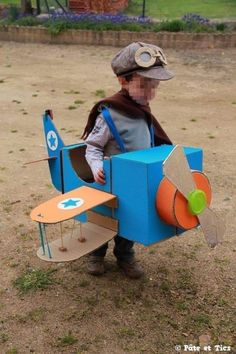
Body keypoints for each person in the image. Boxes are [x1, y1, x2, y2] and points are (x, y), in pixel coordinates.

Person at [82, 42, 174, 278]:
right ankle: (96, 253)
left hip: (133, 181)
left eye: (154, 87)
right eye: (144, 86)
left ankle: (125, 256)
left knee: (130, 219)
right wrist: (96, 165)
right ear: (123, 81)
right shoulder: (110, 113)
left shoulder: (142, 110)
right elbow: (92, 147)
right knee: (103, 218)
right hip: (110, 181)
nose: (150, 93)